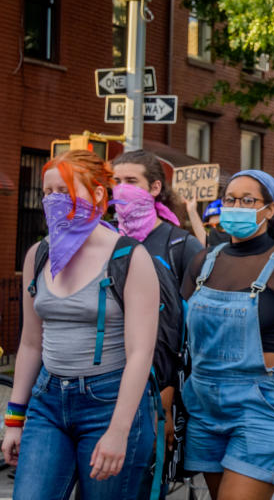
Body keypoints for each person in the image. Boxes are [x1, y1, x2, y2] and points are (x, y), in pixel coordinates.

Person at [2, 150, 160, 499]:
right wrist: (14, 420)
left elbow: (140, 353)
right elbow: (30, 343)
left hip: (109, 401)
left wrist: (119, 431)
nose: (54, 200)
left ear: (99, 195)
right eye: (48, 192)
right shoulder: (38, 254)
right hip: (48, 400)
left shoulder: (130, 257)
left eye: (65, 190)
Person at [180, 170, 274, 499]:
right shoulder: (202, 263)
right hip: (204, 408)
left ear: (270, 209)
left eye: (248, 200)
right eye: (231, 199)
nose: (236, 205)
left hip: (265, 407)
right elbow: (181, 341)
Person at [112, 149, 205, 496]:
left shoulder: (181, 245)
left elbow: (189, 326)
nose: (121, 189)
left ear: (153, 188)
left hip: (160, 387)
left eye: (131, 182)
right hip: (108, 382)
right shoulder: (108, 240)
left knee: (145, 482)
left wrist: (165, 397)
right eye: (116, 182)